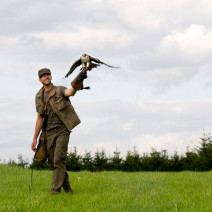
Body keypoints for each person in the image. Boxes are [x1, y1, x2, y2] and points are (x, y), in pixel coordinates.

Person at [31, 68, 86, 194]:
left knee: (58, 160)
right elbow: (39, 117)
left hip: (62, 130)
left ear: (51, 76)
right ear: (40, 80)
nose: (46, 77)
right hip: (48, 133)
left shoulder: (60, 90)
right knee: (53, 163)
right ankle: (67, 188)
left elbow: (70, 92)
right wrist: (35, 138)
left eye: (48, 75)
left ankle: (54, 191)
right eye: (43, 76)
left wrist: (79, 79)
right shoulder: (38, 96)